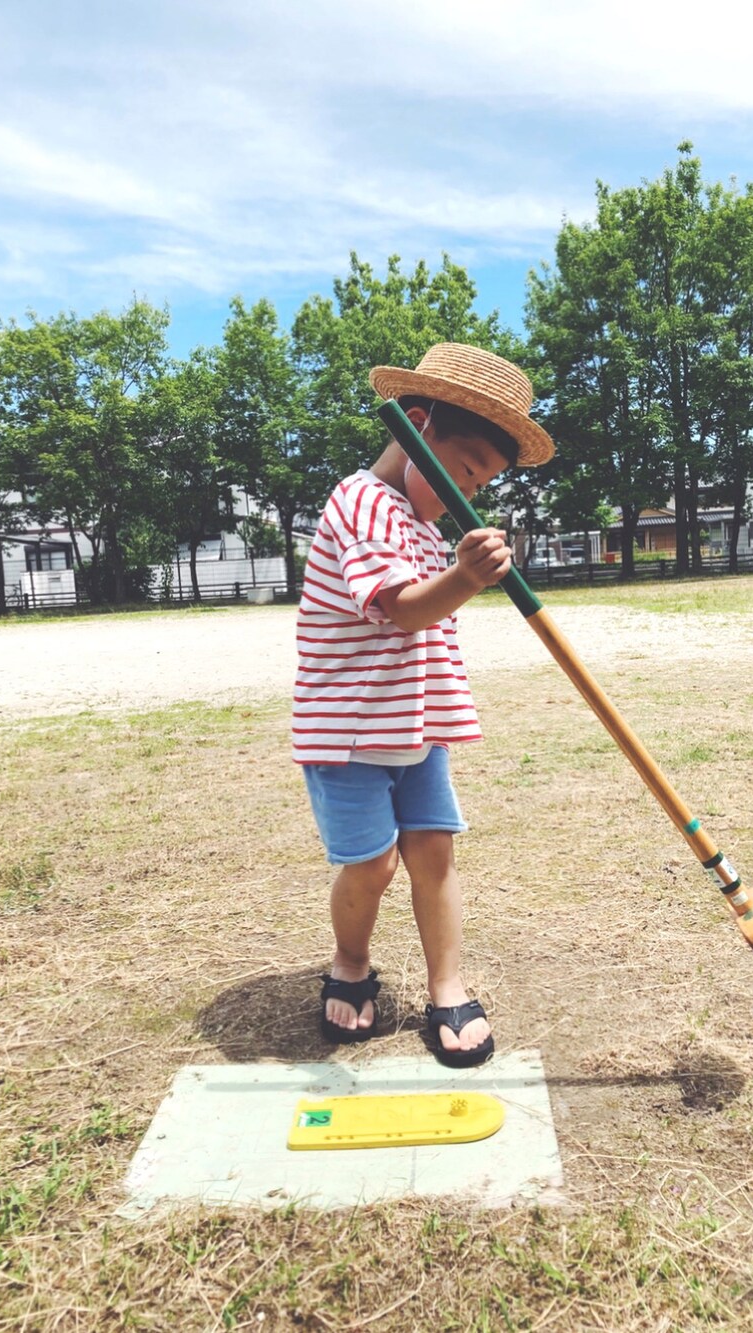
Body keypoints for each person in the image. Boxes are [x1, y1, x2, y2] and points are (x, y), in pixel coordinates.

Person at [292, 342, 554, 1066]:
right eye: (464, 471)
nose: (467, 492)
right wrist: (466, 577)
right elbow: (400, 610)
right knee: (372, 864)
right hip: (349, 731)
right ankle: (350, 962)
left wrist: (457, 569)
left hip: (415, 725)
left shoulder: (419, 521)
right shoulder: (364, 503)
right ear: (416, 426)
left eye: (484, 481)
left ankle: (448, 985)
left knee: (433, 854)